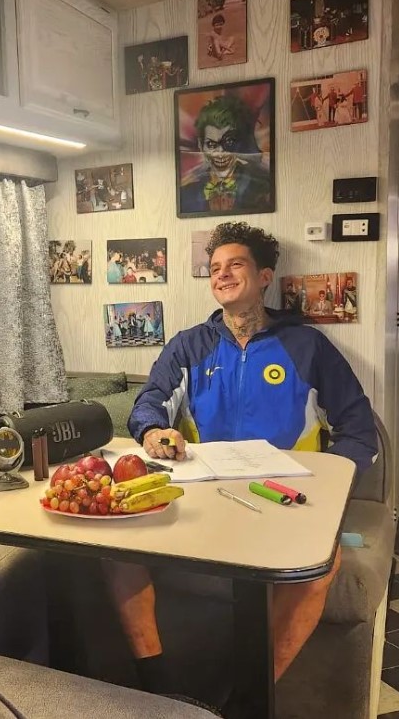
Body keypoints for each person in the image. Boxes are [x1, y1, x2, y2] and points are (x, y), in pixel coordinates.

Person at [105, 222, 377, 716]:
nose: (223, 274)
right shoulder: (188, 345)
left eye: (236, 264)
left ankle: (246, 704)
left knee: (323, 566)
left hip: (283, 496)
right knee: (117, 544)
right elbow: (148, 403)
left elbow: (359, 430)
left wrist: (331, 485)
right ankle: (157, 687)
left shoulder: (307, 346)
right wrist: (152, 431)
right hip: (200, 494)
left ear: (265, 276)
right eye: (215, 268)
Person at [179, 95, 272, 215]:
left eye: (228, 143)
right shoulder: (186, 194)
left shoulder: (262, 187)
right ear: (201, 145)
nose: (220, 153)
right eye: (211, 144)